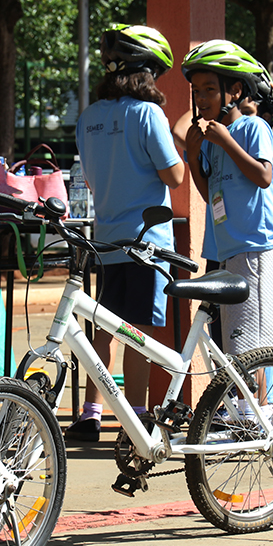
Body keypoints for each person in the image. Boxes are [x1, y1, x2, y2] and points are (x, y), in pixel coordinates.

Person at [66, 24, 185, 443]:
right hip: (146, 243)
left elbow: (95, 180)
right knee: (139, 333)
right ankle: (135, 419)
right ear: (145, 72)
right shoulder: (148, 113)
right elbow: (174, 175)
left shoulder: (89, 117)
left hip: (106, 240)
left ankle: (90, 413)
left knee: (105, 330)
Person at [181, 40, 273, 368]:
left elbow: (263, 176)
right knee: (232, 343)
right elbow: (209, 194)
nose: (201, 99)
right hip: (228, 251)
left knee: (254, 343)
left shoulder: (252, 127)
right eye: (196, 90)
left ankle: (256, 414)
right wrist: (192, 158)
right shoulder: (212, 140)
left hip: (256, 248)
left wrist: (227, 142)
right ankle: (240, 414)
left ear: (235, 91)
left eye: (210, 90)